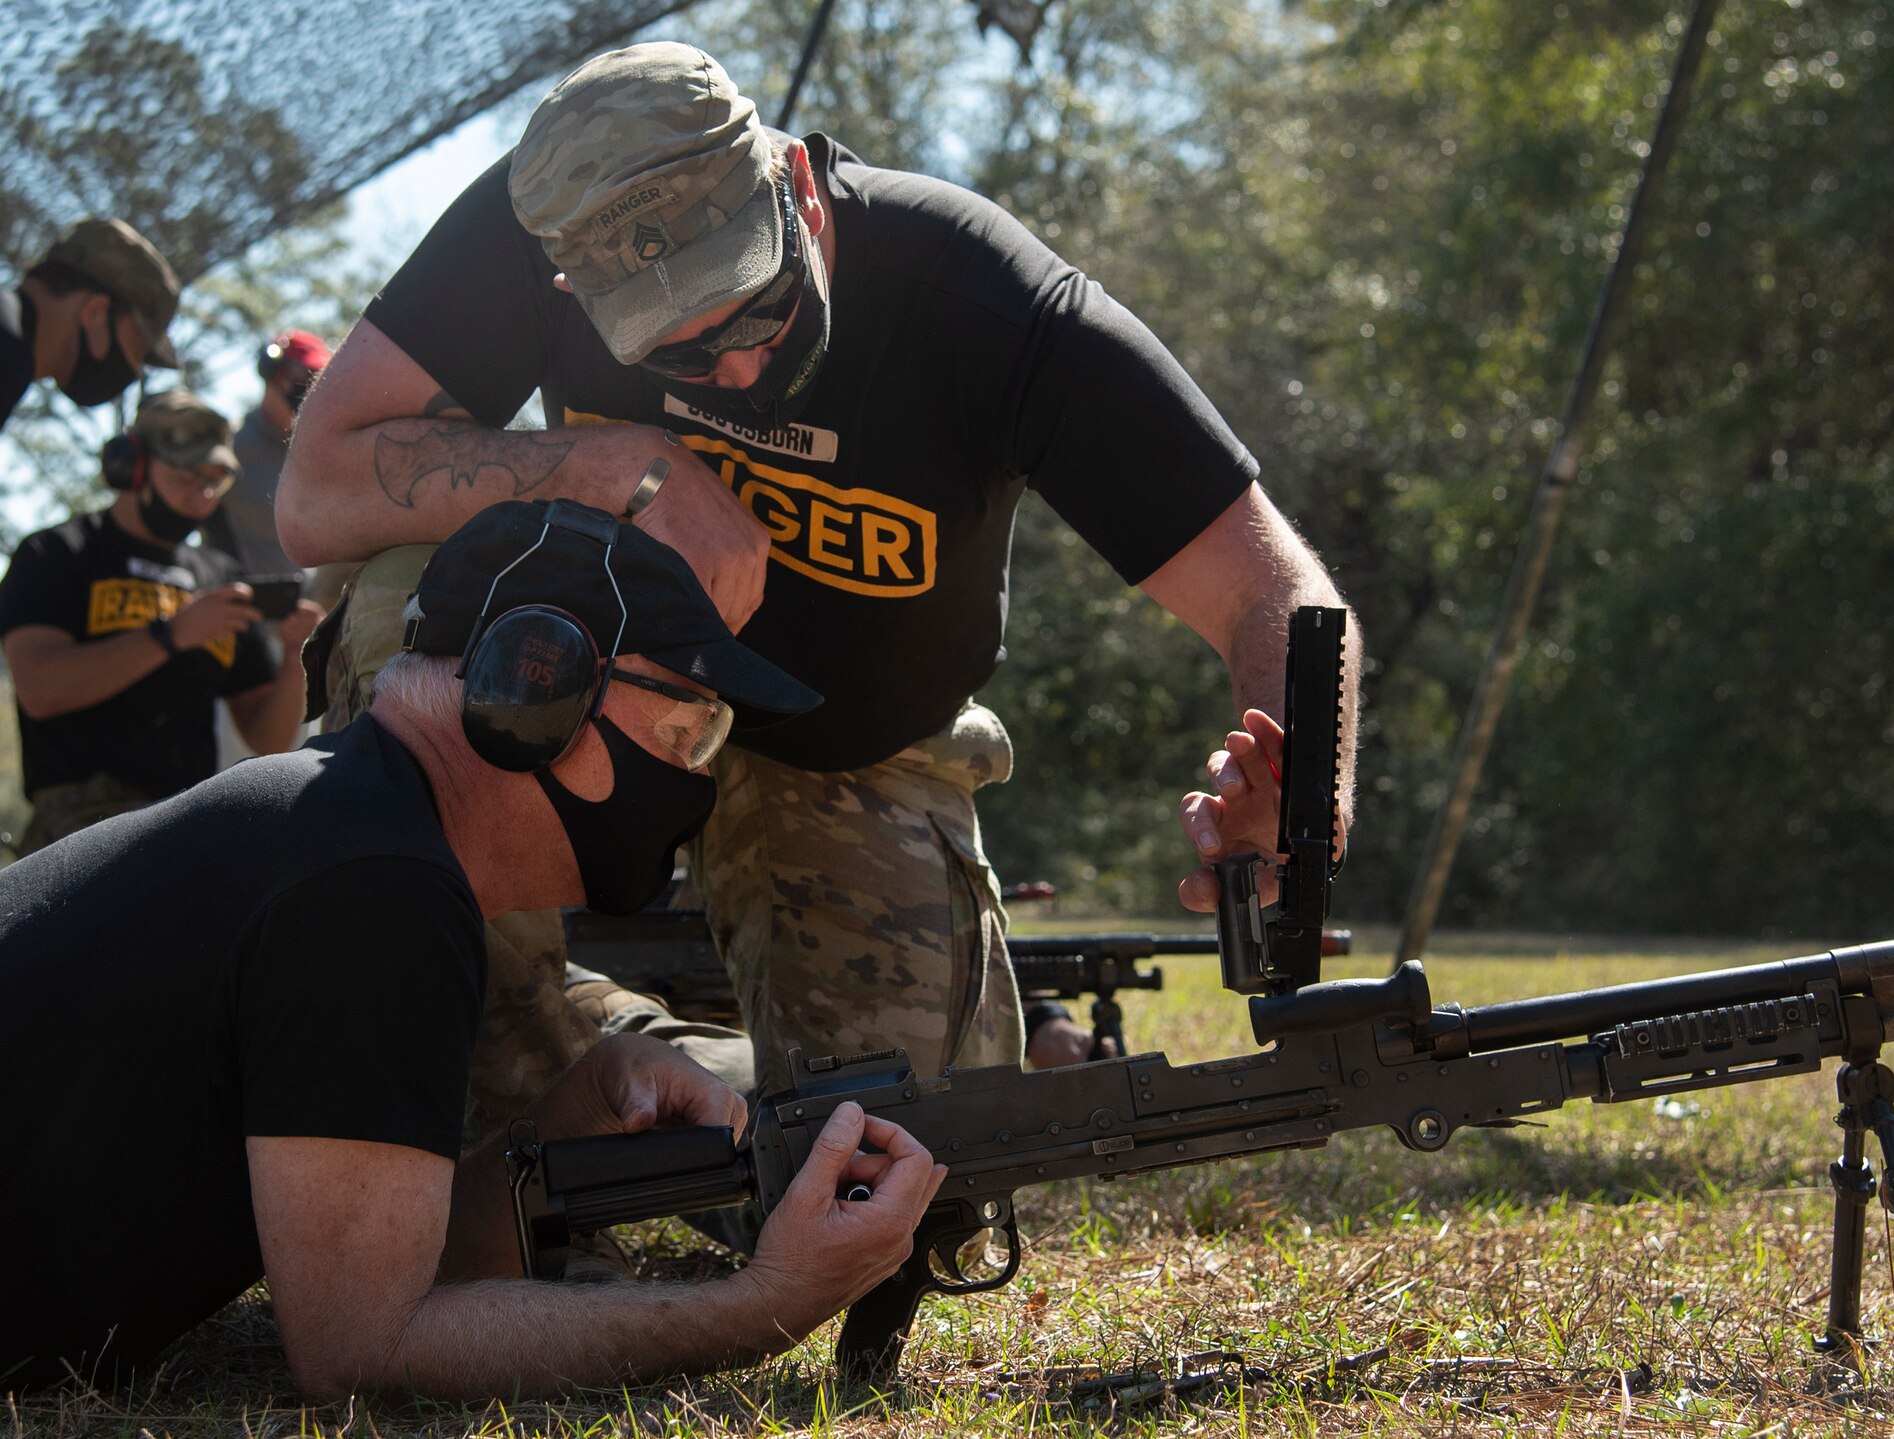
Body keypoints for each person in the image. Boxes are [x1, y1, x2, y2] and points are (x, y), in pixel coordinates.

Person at [276, 43, 1359, 1122]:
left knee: (911, 1138)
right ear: (569, 286)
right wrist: (621, 466)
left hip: (851, 744)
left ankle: (667, 1076)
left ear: (796, 185)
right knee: (397, 595)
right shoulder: (543, 221)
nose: (737, 368)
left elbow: (1275, 592)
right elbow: (315, 493)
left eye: (757, 304)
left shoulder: (983, 302)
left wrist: (1299, 794)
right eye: (674, 352)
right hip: (603, 691)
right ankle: (502, 1080)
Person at [0, 498, 945, 1398]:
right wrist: (766, 1304)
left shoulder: (355, 834)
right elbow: (359, 1350)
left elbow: (392, 1271)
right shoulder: (372, 883)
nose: (694, 773)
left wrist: (564, 1119)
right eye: (686, 729)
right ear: (538, 688)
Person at [0, 390, 321, 851]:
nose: (202, 497)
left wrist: (295, 657)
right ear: (133, 466)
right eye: (187, 477)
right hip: (78, 823)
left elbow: (266, 739)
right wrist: (172, 635)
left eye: (215, 482)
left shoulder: (218, 576)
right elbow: (40, 690)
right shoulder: (56, 555)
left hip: (184, 820)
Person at [1, 217, 180, 429]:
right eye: (137, 350)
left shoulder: (13, 351)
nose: (134, 370)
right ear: (95, 311)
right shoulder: (9, 355)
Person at [208, 328, 332, 580]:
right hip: (243, 598)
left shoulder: (326, 454)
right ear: (271, 372)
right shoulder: (231, 447)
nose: (310, 389)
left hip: (312, 602)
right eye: (303, 377)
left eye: (319, 380)